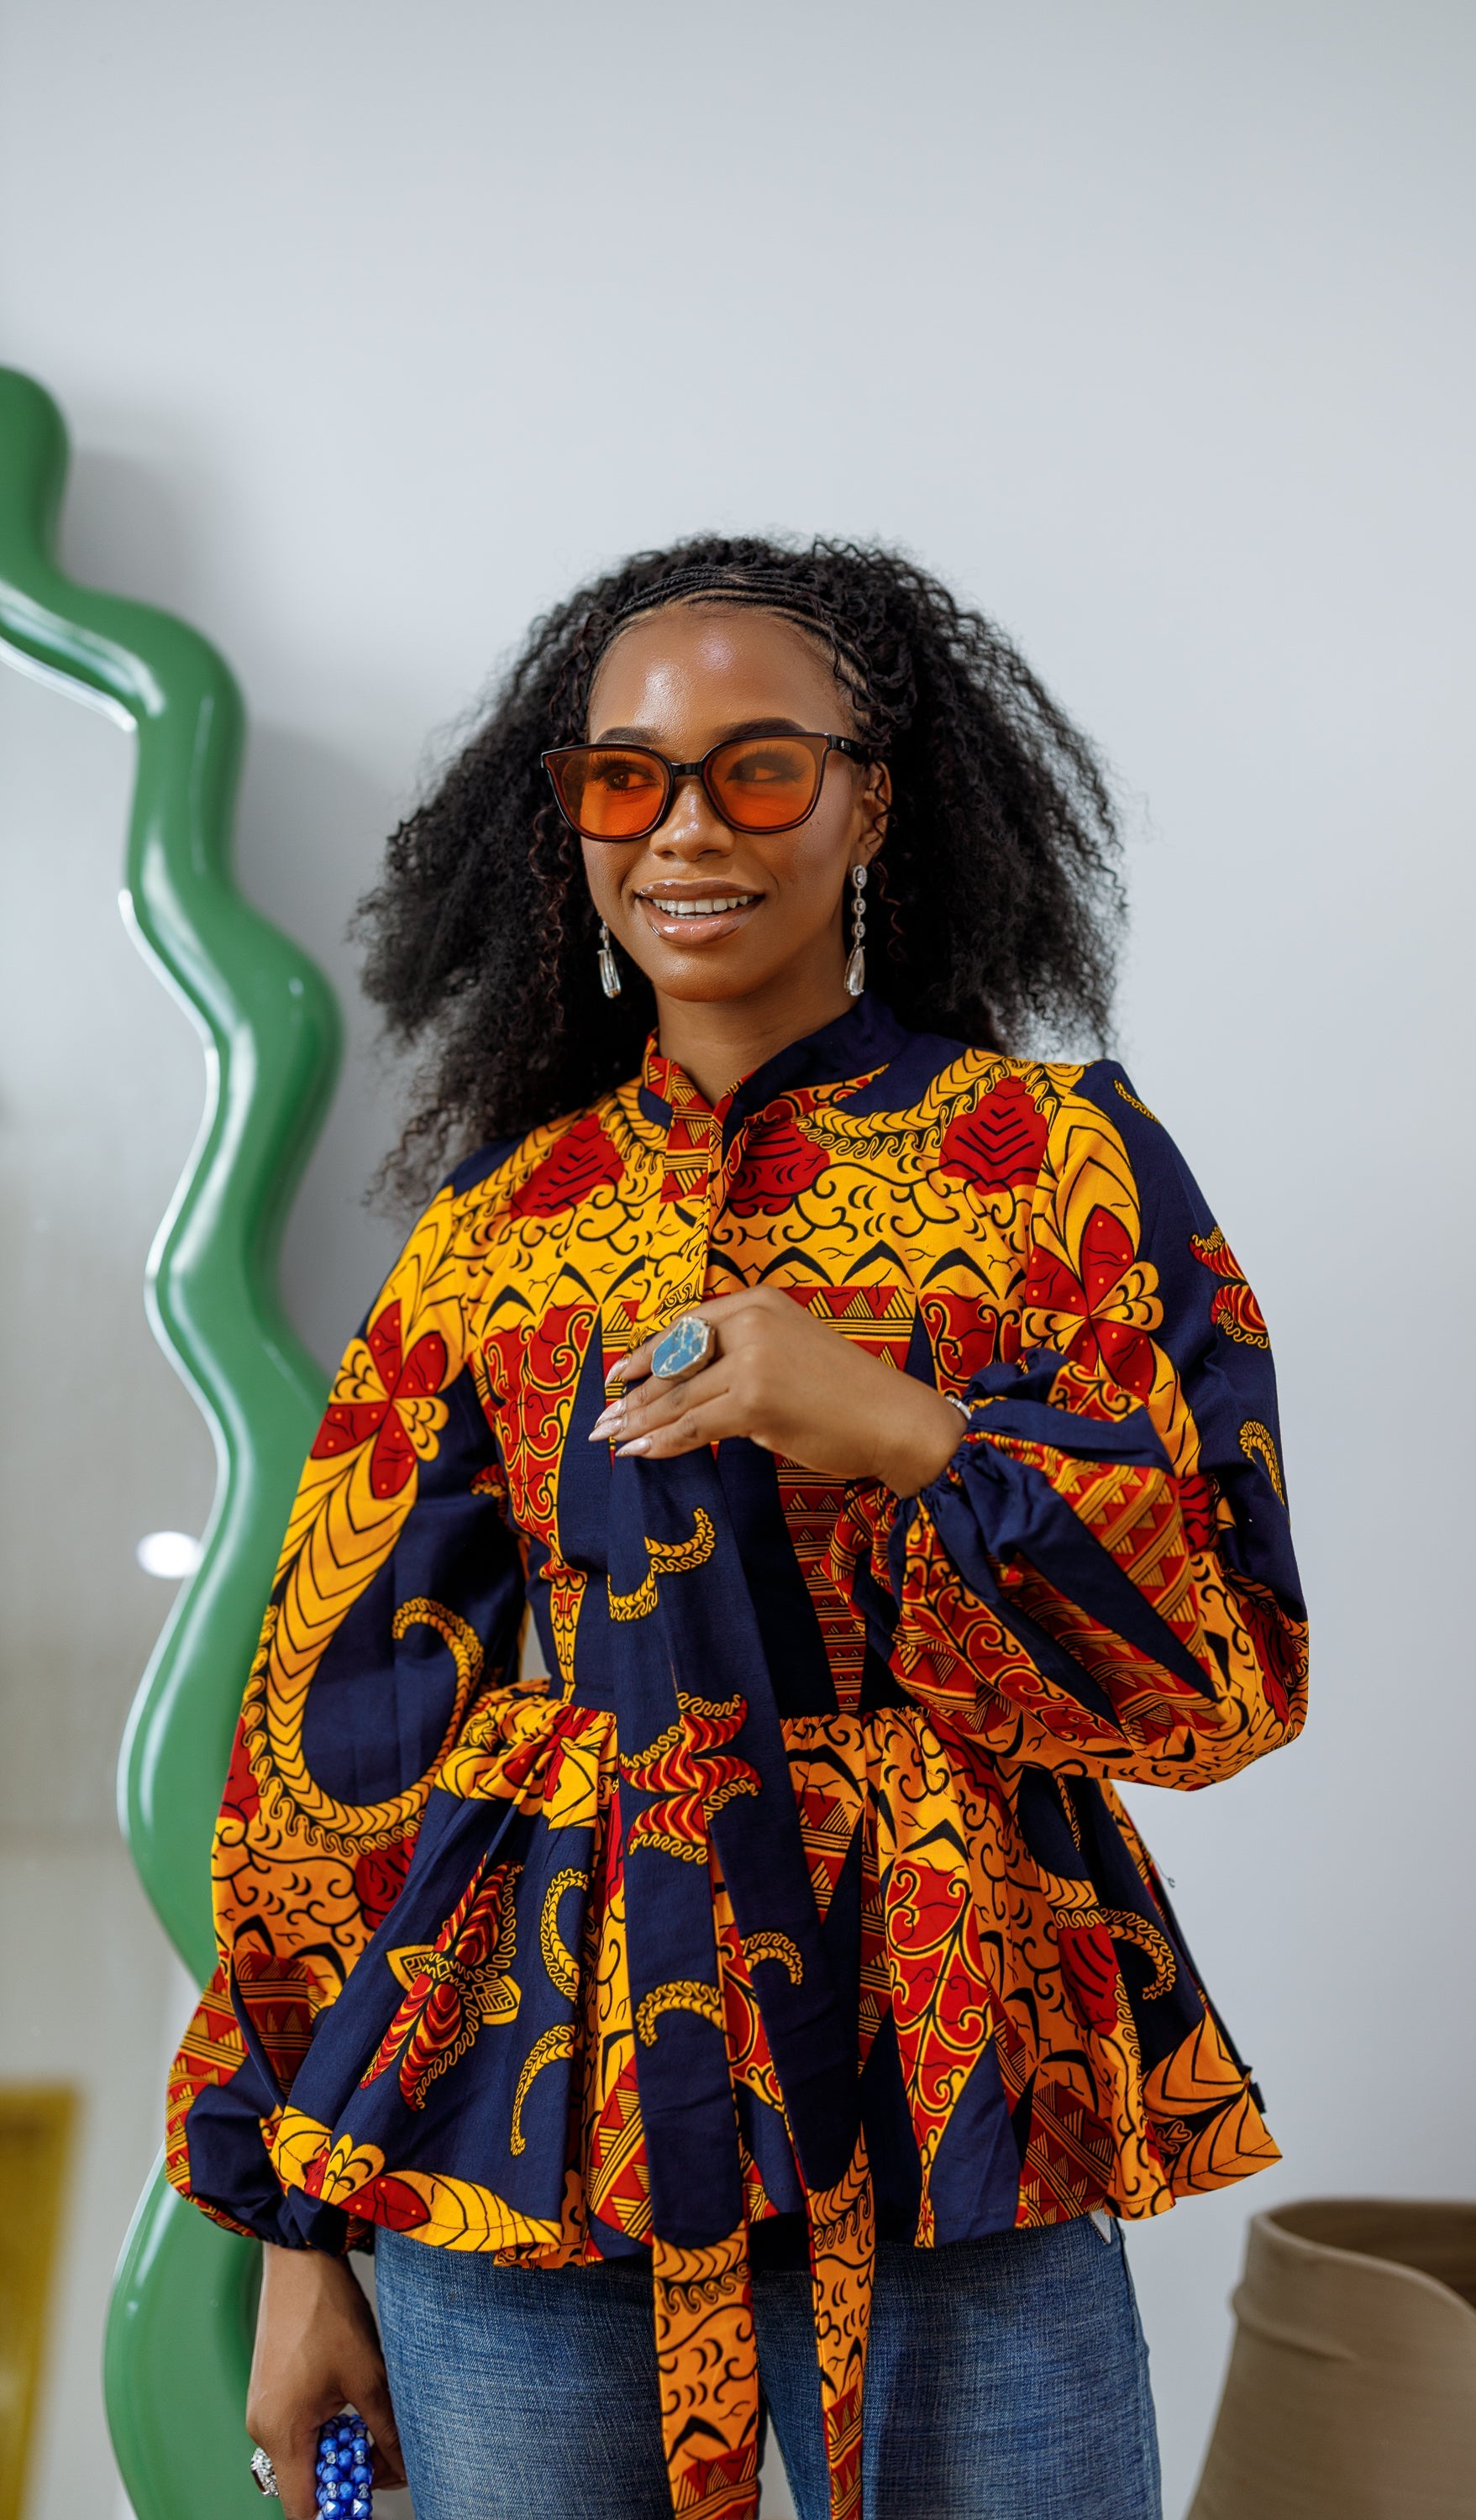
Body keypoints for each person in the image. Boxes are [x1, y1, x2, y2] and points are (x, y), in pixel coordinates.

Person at [166, 538, 1308, 2520]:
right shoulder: (495, 1233)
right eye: (627, 777)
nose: (685, 828)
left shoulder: (1055, 1171)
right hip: (526, 2109)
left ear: (875, 802)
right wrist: (295, 2238)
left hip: (950, 2090)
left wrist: (912, 1433)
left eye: (758, 769)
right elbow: (329, 1759)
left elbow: (1224, 1672)